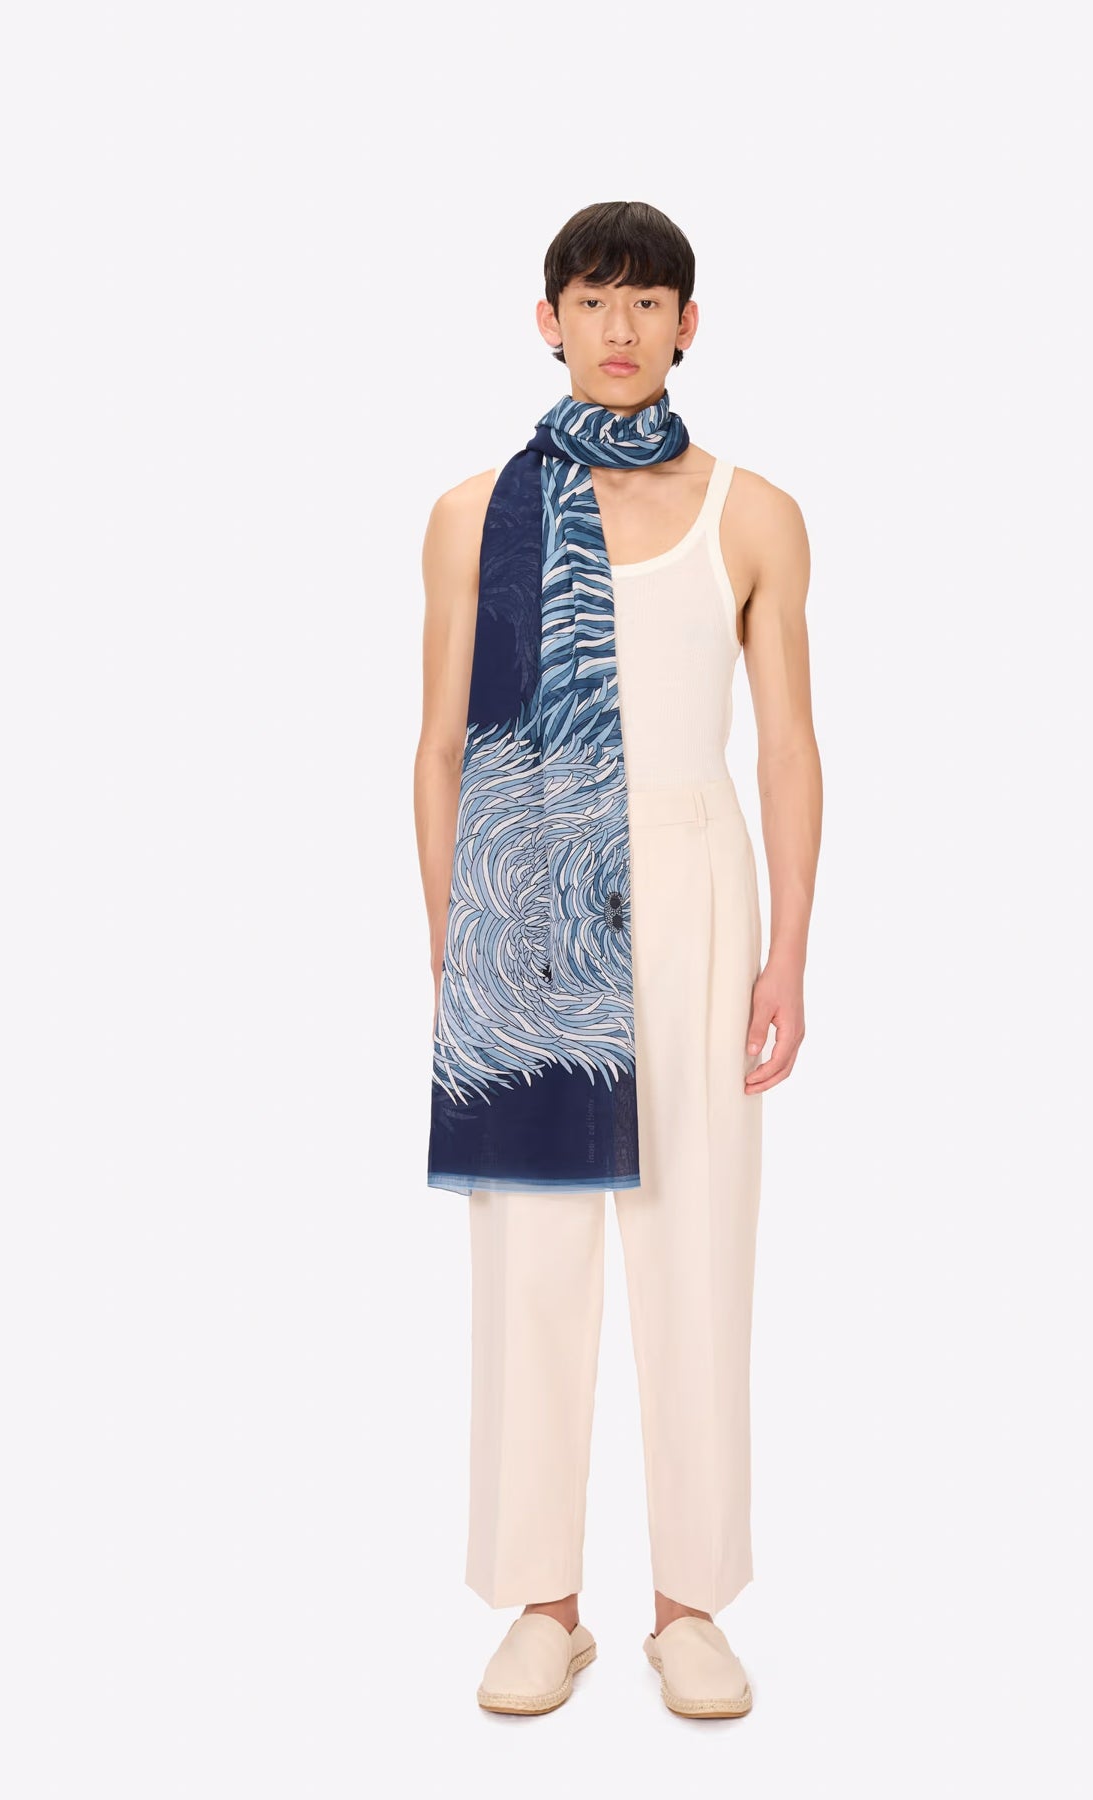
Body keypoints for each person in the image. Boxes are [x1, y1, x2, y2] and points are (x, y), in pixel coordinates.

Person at [414, 200, 822, 1719]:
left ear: (688, 326)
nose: (621, 327)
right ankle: (543, 1604)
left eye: (649, 301)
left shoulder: (754, 514)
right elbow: (436, 747)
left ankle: (690, 1606)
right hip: (528, 898)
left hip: (696, 883)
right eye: (593, 299)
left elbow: (789, 744)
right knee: (533, 1257)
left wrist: (790, 950)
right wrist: (455, 942)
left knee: (696, 1244)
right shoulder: (475, 513)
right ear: (549, 321)